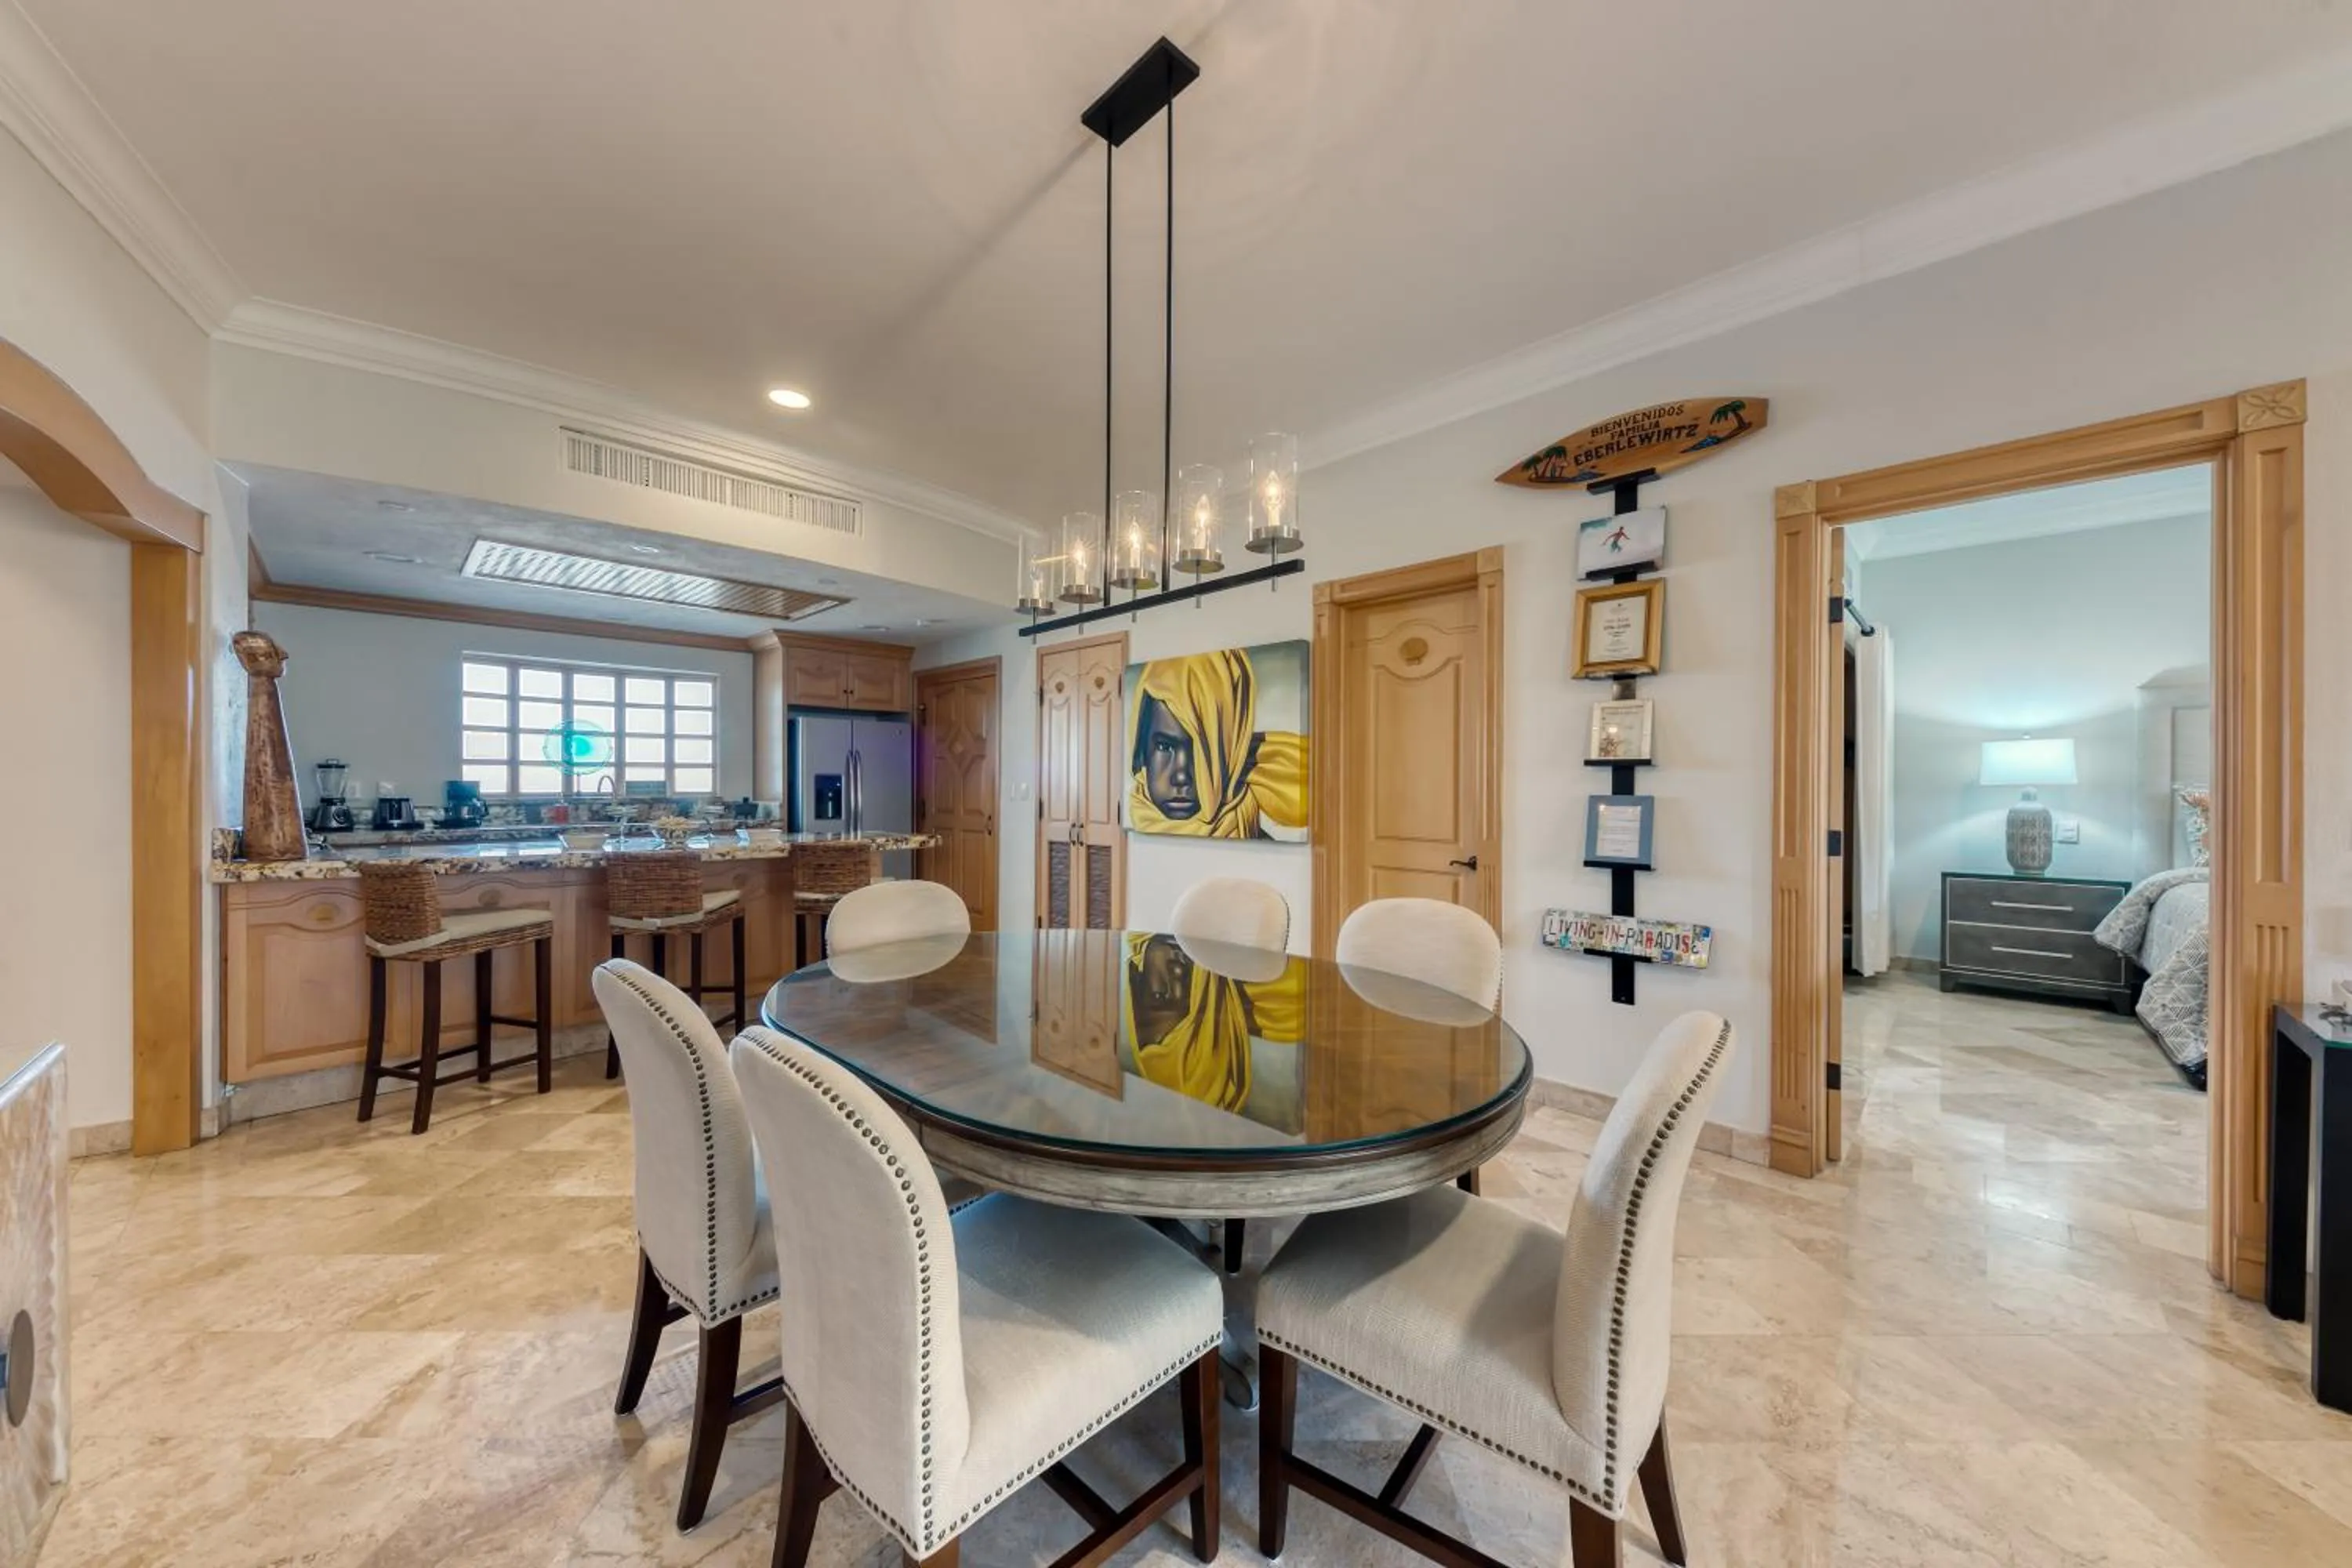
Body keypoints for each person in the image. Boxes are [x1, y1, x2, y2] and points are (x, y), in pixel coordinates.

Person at [1127, 648, 1306, 838]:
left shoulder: (1264, 855)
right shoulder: (1134, 836)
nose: (1181, 777)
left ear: (1232, 750)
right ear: (1141, 751)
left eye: (1202, 750)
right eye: (1164, 746)